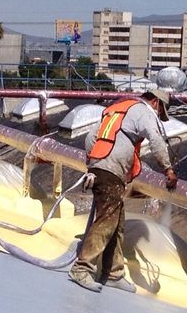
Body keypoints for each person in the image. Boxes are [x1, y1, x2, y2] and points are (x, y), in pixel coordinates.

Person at [68, 84, 177, 293]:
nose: (158, 115)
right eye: (160, 111)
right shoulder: (144, 111)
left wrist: (94, 163)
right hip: (111, 170)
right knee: (107, 221)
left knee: (116, 223)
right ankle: (82, 268)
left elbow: (91, 138)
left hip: (103, 168)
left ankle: (113, 273)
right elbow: (155, 139)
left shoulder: (117, 109)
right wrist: (168, 170)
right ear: (155, 102)